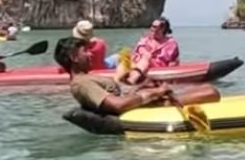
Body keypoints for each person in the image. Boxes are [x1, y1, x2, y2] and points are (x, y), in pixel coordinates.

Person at [54, 37, 217, 116]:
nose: (90, 54)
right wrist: (154, 93)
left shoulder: (85, 79)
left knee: (207, 90)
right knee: (210, 92)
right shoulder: (81, 83)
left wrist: (141, 87)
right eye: (85, 52)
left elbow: (115, 97)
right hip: (143, 109)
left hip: (141, 103)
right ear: (74, 58)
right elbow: (117, 105)